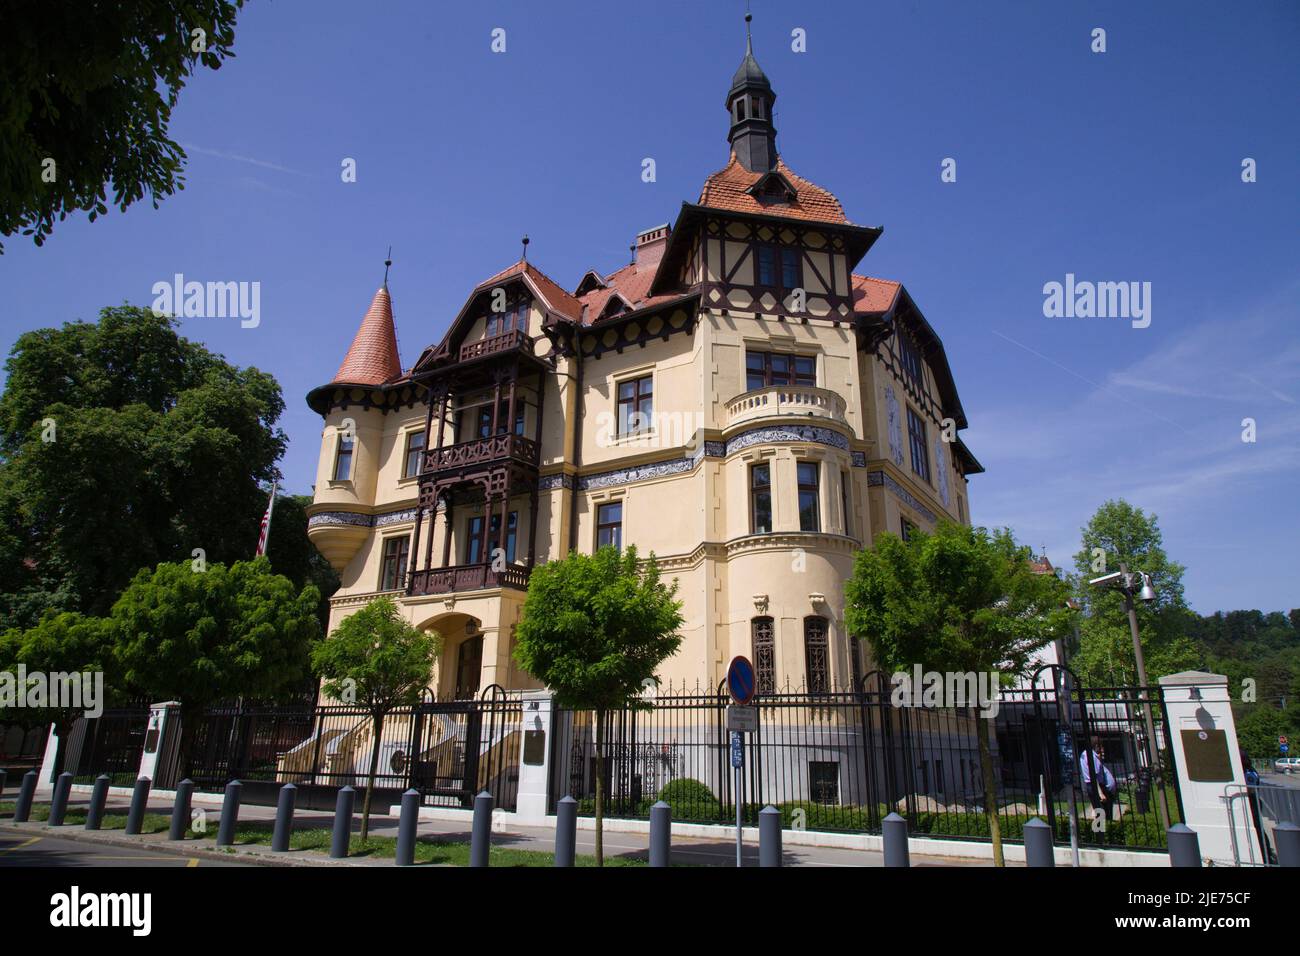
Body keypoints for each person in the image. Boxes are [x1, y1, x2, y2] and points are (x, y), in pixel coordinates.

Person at [1079, 737, 1117, 824]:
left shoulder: (1085, 754)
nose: (1102, 749)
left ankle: (1102, 829)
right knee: (1104, 814)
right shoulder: (1092, 757)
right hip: (1097, 787)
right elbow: (1093, 777)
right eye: (1101, 746)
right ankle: (1104, 830)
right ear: (1096, 746)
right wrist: (1100, 793)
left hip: (1093, 786)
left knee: (1100, 812)